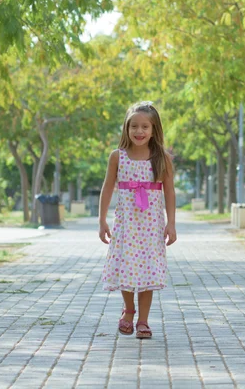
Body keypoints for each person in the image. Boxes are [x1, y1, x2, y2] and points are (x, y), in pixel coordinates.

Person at [98, 101, 177, 339]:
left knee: (148, 273)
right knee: (126, 268)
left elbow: (170, 192)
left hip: (151, 227)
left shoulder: (162, 158)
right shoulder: (117, 157)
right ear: (126, 128)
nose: (139, 132)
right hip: (127, 225)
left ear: (154, 130)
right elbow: (107, 188)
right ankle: (128, 310)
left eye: (144, 127)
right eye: (134, 126)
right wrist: (102, 220)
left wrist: (170, 223)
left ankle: (143, 320)